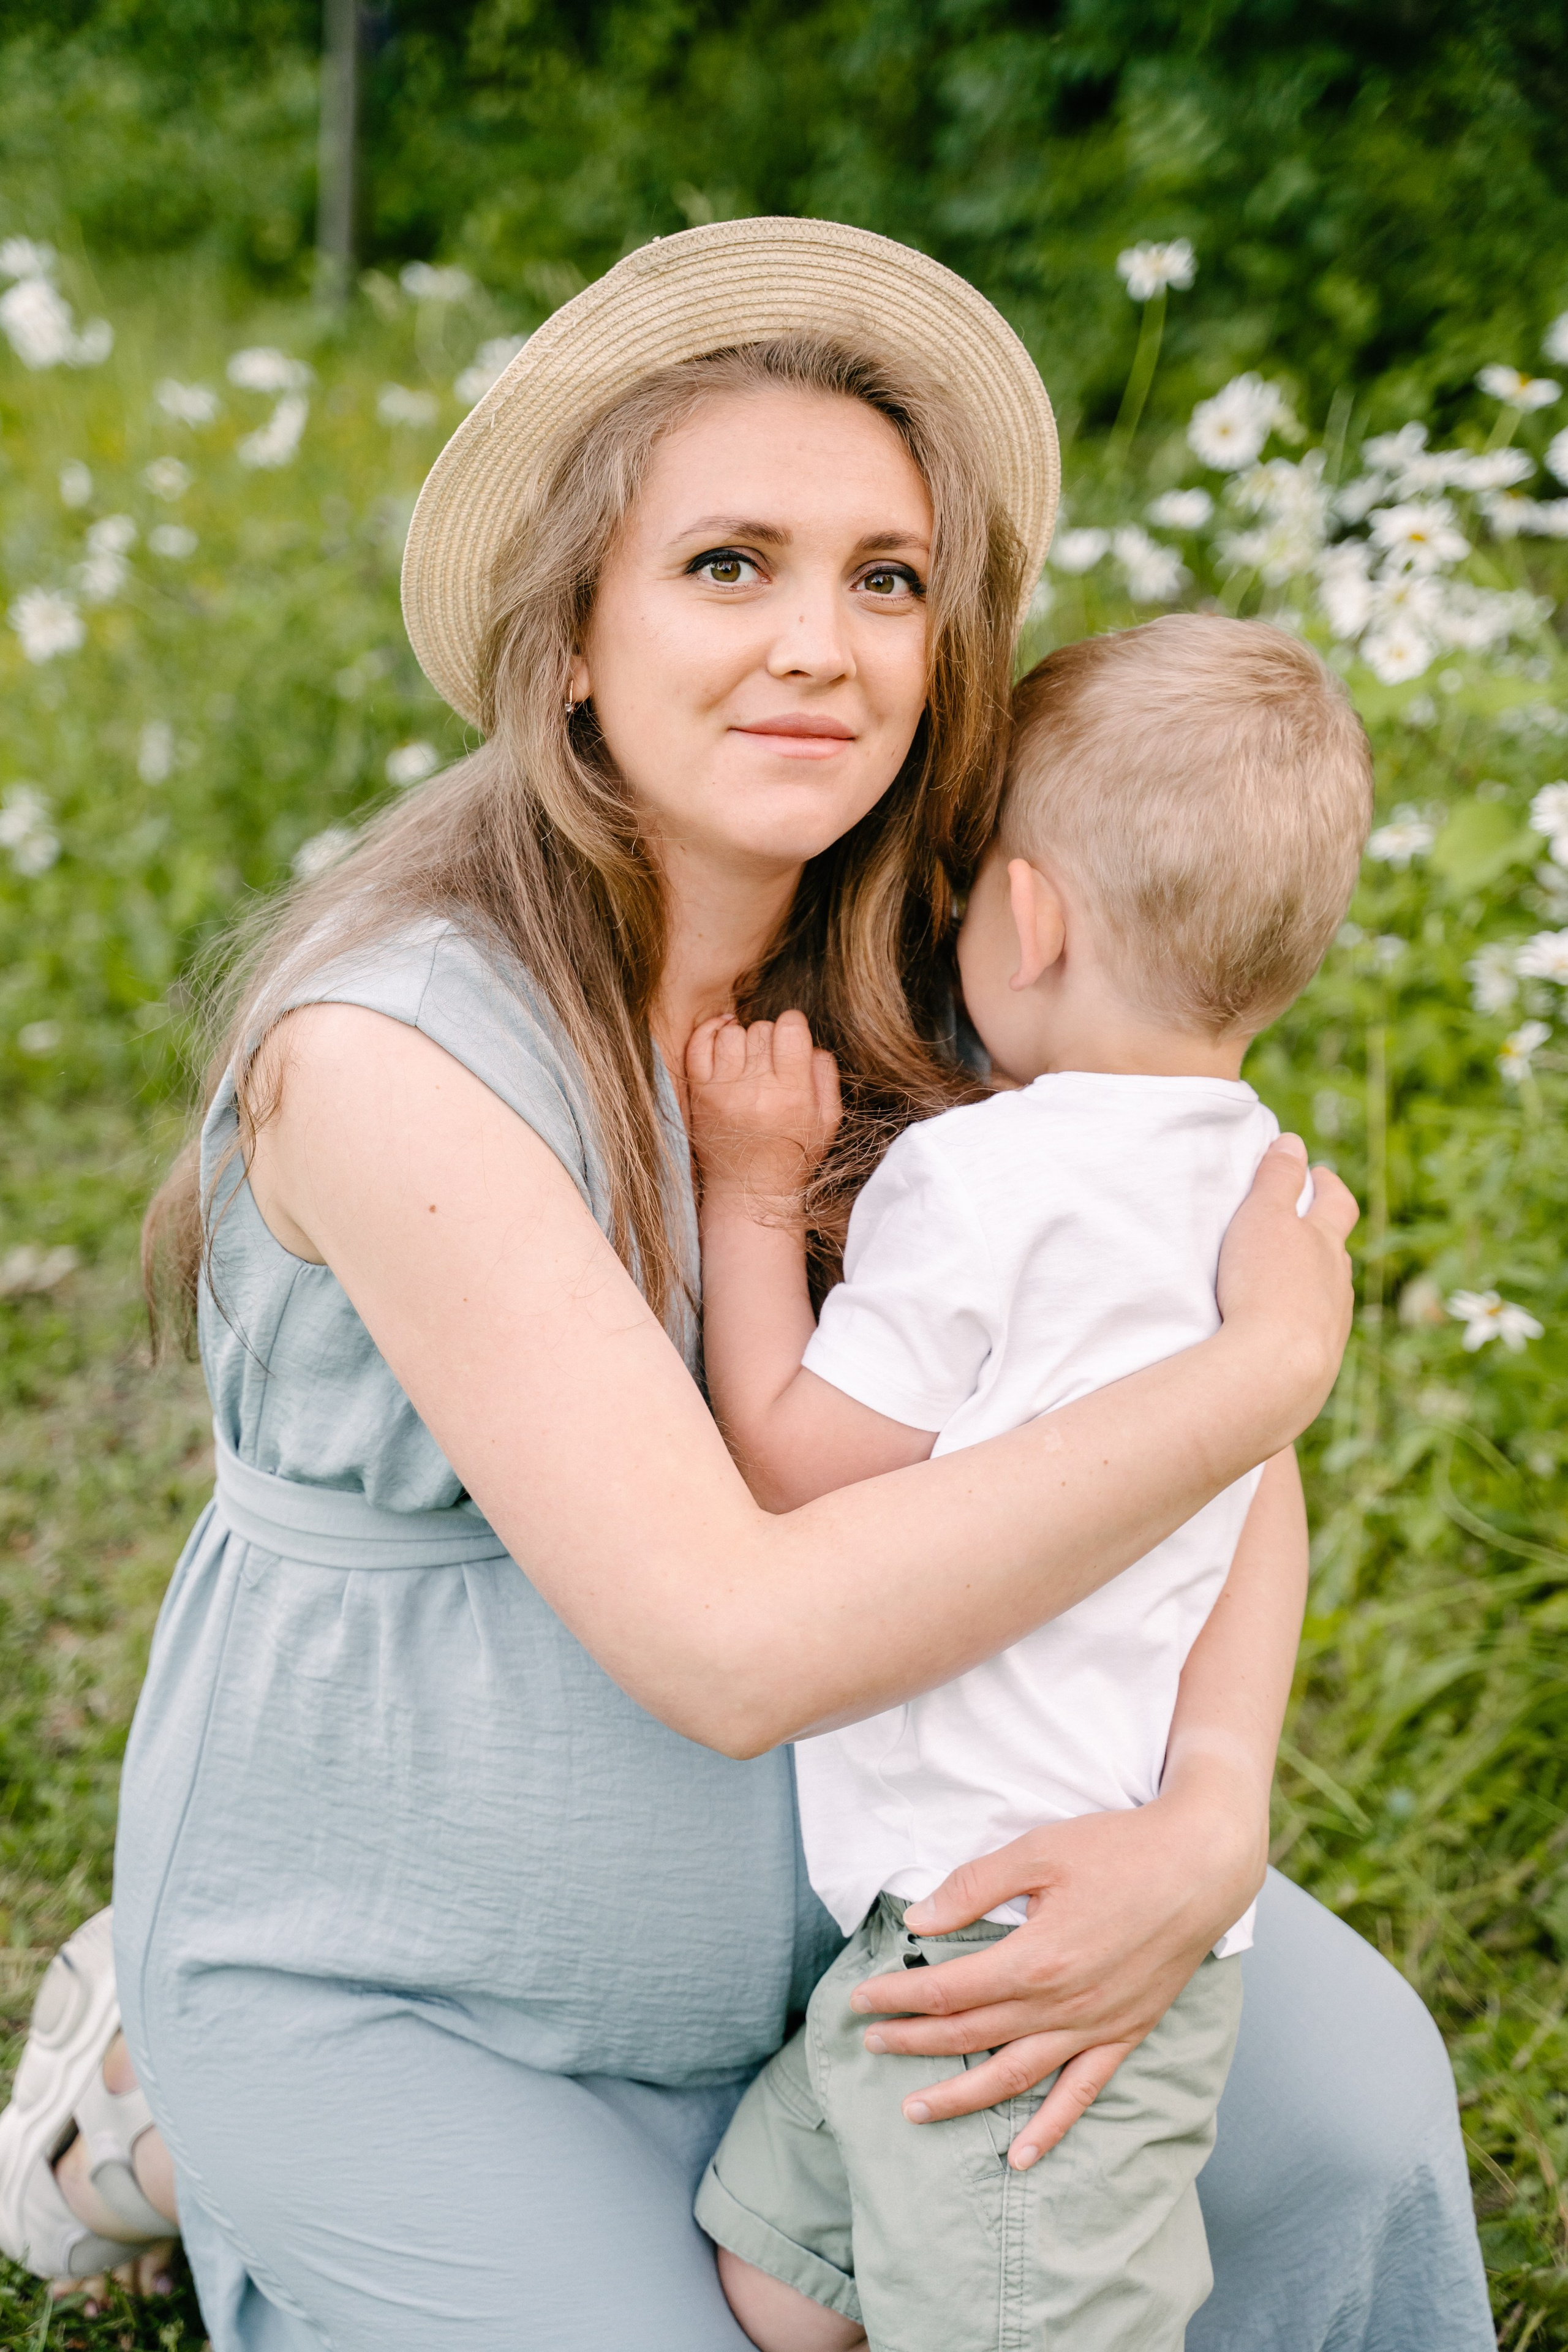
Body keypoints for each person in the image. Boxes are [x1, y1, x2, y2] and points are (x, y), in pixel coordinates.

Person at [0, 221, 1488, 2352]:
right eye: (727, 566)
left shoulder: (962, 972)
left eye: (885, 579)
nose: (820, 643)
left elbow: (1156, 1422)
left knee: (1352, 2131)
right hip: (425, 1969)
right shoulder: (394, 1054)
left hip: (872, 1910)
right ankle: (167, 2111)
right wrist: (1272, 1374)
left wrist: (1212, 1812)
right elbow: (734, 1644)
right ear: (572, 638)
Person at [682, 614, 1371, 2351]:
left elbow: (794, 1464)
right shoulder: (1267, 1194)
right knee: (783, 2277)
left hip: (1004, 1932)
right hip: (1005, 1897)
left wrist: (752, 1191)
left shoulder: (984, 1182)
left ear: (1031, 915)